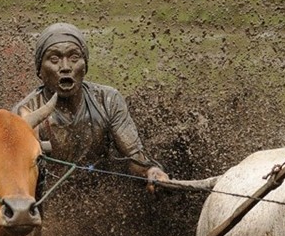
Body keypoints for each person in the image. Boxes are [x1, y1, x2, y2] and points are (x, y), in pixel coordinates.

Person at [12, 22, 169, 195]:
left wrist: (151, 172)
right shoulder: (25, 112)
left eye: (74, 58)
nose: (65, 67)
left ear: (85, 65)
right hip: (50, 200)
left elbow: (135, 157)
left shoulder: (108, 100)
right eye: (54, 59)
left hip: (102, 194)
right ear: (40, 70)